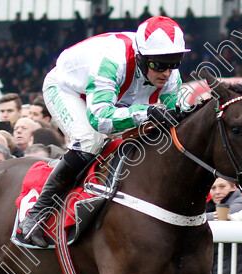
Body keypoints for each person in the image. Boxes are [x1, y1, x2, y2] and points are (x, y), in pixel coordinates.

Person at [20, 15, 189, 247]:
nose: (167, 73)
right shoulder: (112, 60)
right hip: (69, 90)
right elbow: (100, 118)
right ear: (140, 57)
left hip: (117, 97)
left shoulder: (169, 73)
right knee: (91, 141)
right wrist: (148, 113)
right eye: (158, 65)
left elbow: (173, 120)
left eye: (174, 63)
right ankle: (38, 214)